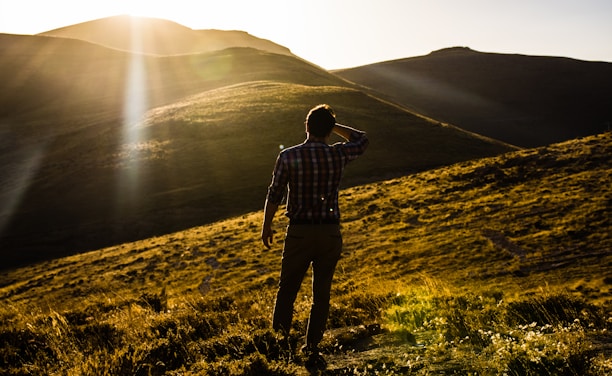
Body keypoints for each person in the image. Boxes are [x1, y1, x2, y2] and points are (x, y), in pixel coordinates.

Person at [261, 104, 369, 365]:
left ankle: (281, 347)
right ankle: (312, 348)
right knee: (321, 293)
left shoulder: (288, 156)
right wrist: (335, 126)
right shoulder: (338, 155)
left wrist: (267, 225)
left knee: (287, 291)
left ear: (306, 127)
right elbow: (362, 139)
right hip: (330, 233)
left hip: (299, 233)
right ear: (329, 130)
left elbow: (275, 193)